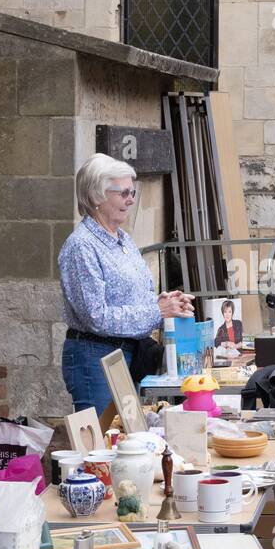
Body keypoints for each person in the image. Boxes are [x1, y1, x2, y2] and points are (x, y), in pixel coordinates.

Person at [59, 153, 193, 413]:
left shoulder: (122, 239)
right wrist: (156, 312)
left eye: (133, 191)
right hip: (95, 357)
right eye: (123, 193)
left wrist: (165, 303)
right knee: (101, 443)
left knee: (126, 439)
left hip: (126, 354)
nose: (131, 199)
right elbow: (96, 317)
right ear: (96, 195)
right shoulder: (81, 246)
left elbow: (127, 300)